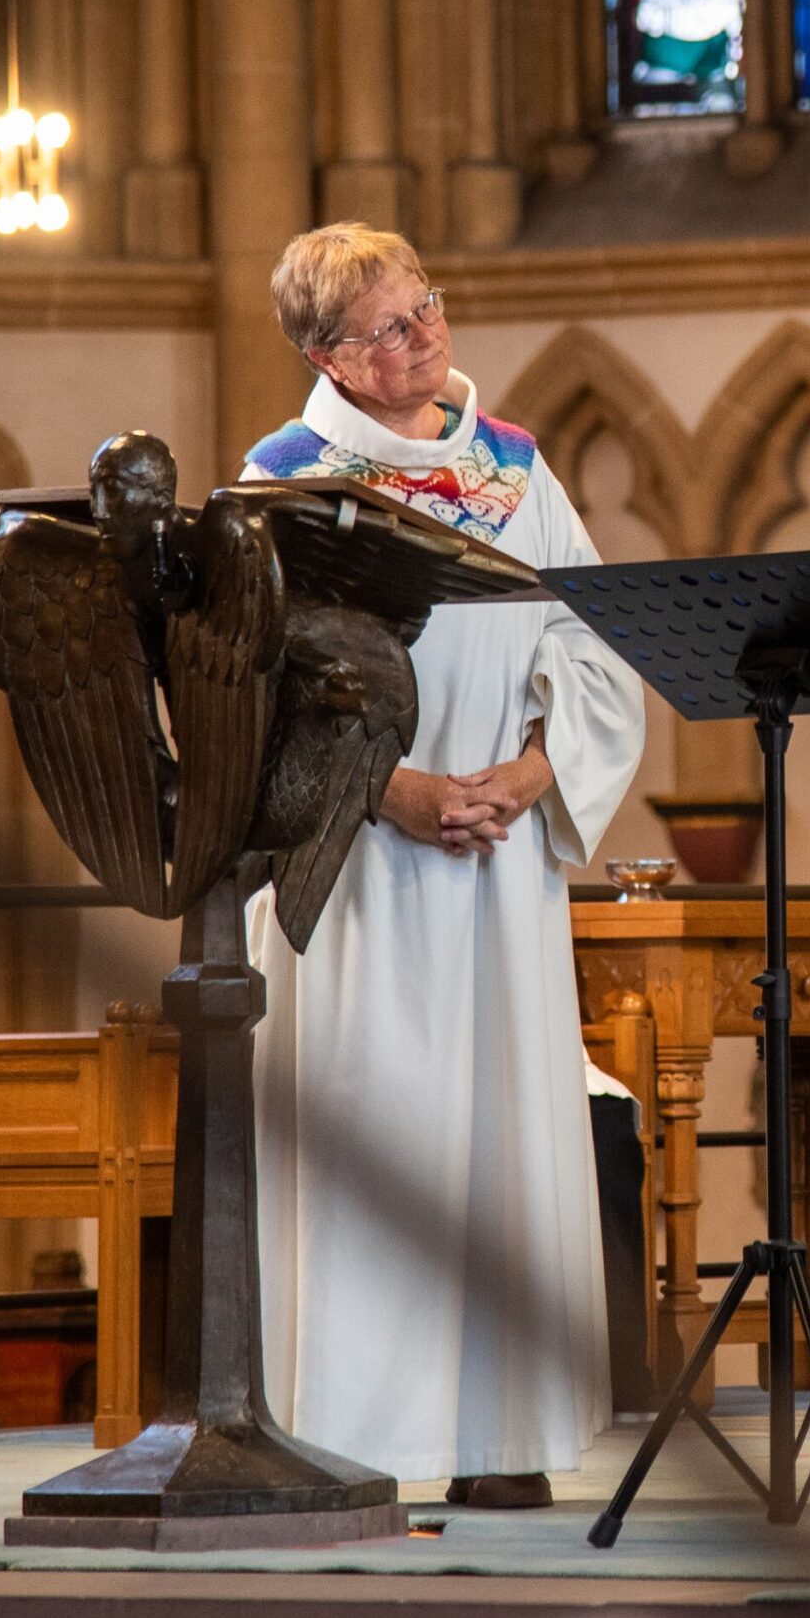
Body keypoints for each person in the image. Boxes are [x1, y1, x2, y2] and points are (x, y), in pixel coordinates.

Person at [244, 224, 647, 1509]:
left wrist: (534, 772)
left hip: (501, 866)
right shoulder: (283, 485)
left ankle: (496, 1436)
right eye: (388, 330)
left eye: (426, 311)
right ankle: (360, 1439)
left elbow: (596, 641)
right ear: (327, 358)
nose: (423, 341)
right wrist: (393, 790)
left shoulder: (517, 471)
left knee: (503, 1144)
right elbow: (255, 688)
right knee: (381, 1141)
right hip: (357, 869)